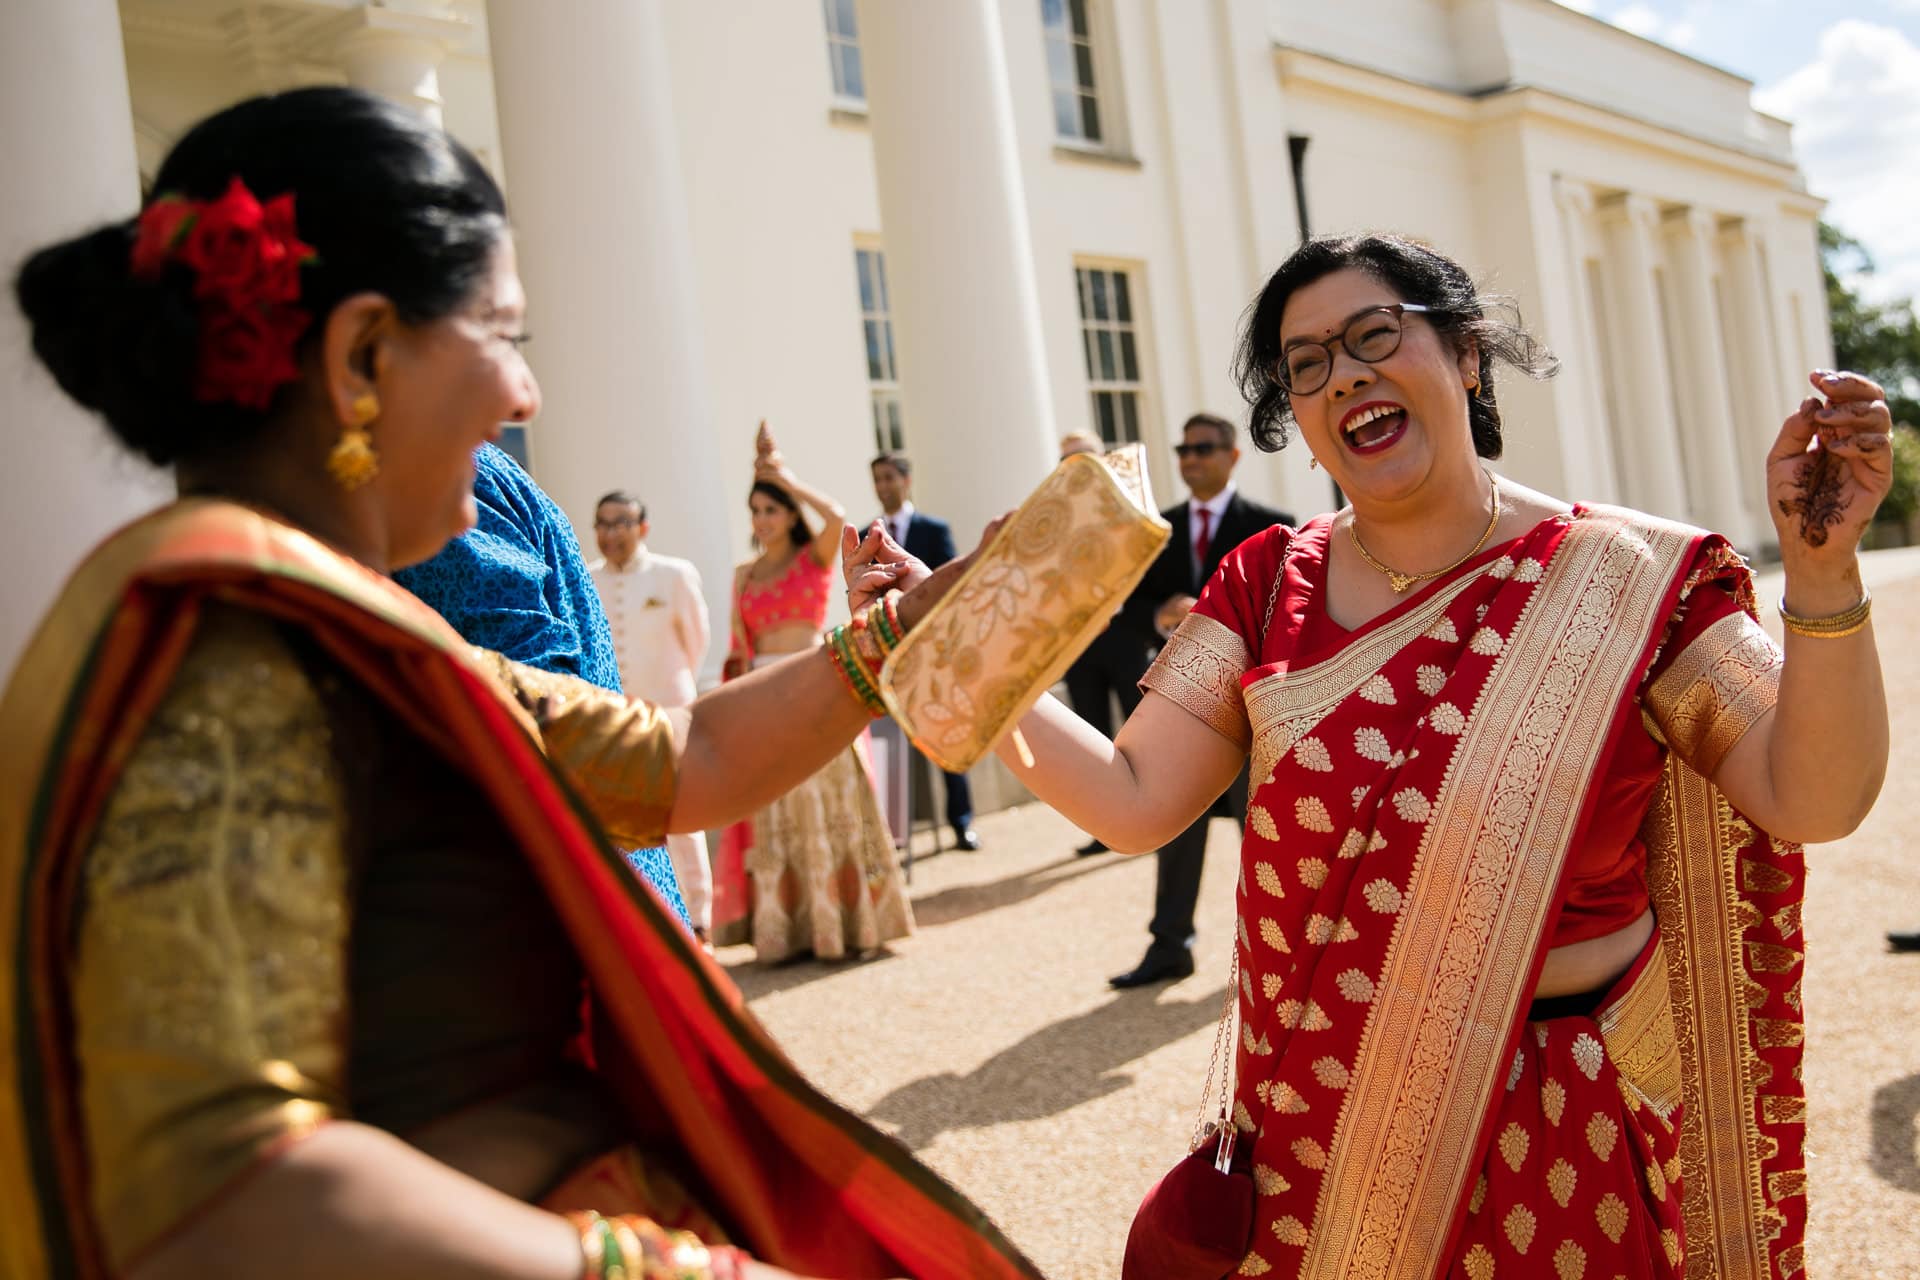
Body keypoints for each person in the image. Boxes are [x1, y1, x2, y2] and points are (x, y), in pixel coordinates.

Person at [1, 87, 1041, 1280]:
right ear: (360, 356)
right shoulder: (231, 668)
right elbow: (226, 1188)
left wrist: (908, 621)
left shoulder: (325, 630)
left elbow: (681, 758)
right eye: (503, 336)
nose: (525, 396)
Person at [995, 234, 1889, 1276]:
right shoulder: (1263, 584)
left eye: (1377, 334)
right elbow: (1134, 796)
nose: (1348, 375)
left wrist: (1823, 576)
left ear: (1467, 352)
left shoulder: (1629, 581)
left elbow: (1811, 794)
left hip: (1572, 1115)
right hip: (1326, 1125)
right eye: (1309, 364)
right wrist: (965, 656)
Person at [392, 450, 689, 926]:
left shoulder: (438, 482)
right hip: (594, 828)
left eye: (622, 522)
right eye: (604, 523)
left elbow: (550, 722)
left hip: (541, 889)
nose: (522, 403)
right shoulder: (442, 473)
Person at [713, 428, 914, 961]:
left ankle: (851, 927)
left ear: (789, 515)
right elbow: (740, 648)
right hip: (762, 698)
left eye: (771, 510)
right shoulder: (743, 575)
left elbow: (837, 515)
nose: (761, 520)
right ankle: (790, 933)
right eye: (755, 510)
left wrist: (788, 482)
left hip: (812, 687)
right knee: (778, 813)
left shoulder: (813, 557)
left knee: (834, 809)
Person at [1107, 413, 1291, 988]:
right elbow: (1130, 605)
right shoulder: (1157, 530)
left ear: (1233, 456)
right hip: (1177, 710)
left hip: (1251, 709)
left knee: (1261, 834)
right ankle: (1170, 946)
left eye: (1203, 448)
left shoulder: (1273, 527)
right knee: (1174, 830)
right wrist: (1161, 614)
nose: (1191, 459)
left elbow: (1289, 614)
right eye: (1183, 449)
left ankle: (1278, 954)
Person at [585, 489, 714, 939]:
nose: (610, 533)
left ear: (643, 527)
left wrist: (675, 693)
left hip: (668, 711)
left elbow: (697, 641)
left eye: (621, 523)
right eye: (602, 523)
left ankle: (698, 919)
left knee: (681, 814)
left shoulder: (673, 574)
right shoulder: (586, 578)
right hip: (612, 717)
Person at [1052, 430, 1155, 858]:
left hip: (1128, 639)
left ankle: (1154, 823)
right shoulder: (1054, 519)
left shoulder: (1130, 508)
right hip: (1081, 647)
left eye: (1081, 457)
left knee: (1141, 736)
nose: (1073, 467)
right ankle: (1103, 830)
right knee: (1089, 736)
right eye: (1065, 461)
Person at [870, 450, 979, 850]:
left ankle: (961, 822)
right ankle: (893, 832)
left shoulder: (934, 530)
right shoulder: (870, 534)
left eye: (888, 478)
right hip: (888, 653)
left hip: (934, 651)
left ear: (905, 480)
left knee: (946, 733)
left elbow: (951, 585)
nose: (883, 487)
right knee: (886, 743)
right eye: (876, 480)